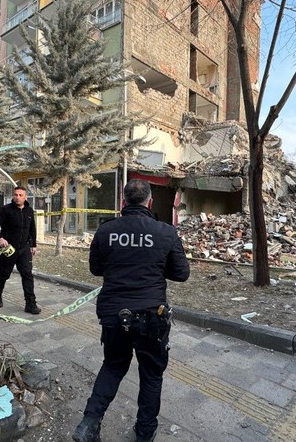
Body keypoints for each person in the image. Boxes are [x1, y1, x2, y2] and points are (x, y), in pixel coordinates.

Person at [73, 179, 190, 442]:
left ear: (123, 201)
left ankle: (89, 422)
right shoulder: (165, 232)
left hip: (114, 314)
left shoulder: (106, 231)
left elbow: (96, 269)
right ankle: (144, 433)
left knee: (113, 367)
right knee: (151, 375)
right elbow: (182, 274)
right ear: (149, 202)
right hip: (152, 316)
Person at [0, 186, 41, 314]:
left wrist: (33, 245)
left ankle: (30, 304)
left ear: (25, 197)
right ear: (13, 196)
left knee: (27, 275)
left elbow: (32, 229)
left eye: (20, 195)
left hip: (24, 248)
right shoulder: (5, 210)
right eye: (16, 195)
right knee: (4, 273)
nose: (18, 197)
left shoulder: (29, 211)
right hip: (8, 248)